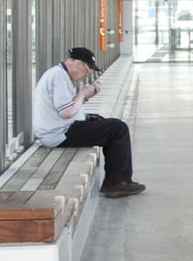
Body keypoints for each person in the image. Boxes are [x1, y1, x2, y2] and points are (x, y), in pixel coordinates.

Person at [32, 44, 143, 194]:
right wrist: (83, 93)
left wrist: (86, 97)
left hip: (60, 129)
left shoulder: (59, 74)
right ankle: (116, 182)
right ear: (78, 63)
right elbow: (66, 112)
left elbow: (69, 107)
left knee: (104, 123)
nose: (87, 74)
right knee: (118, 128)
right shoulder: (59, 77)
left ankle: (117, 180)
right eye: (87, 68)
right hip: (59, 134)